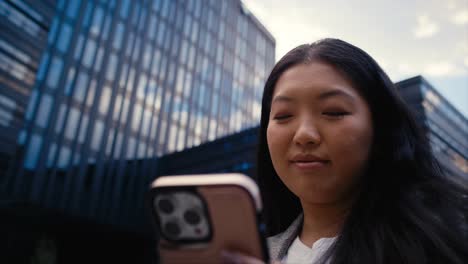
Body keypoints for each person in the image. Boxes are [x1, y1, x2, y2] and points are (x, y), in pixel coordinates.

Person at [222, 38, 468, 264]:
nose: (304, 134)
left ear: (380, 126)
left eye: (333, 112)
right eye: (284, 115)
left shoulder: (450, 236)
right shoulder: (242, 256)